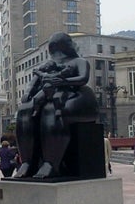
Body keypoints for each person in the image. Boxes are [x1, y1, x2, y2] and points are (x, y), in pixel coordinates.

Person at [14, 32, 99, 179]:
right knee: (23, 112)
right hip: (49, 95)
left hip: (78, 97)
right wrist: (28, 94)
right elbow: (32, 84)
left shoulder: (79, 61)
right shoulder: (47, 65)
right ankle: (27, 162)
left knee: (52, 110)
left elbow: (83, 79)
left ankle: (51, 163)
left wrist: (63, 82)